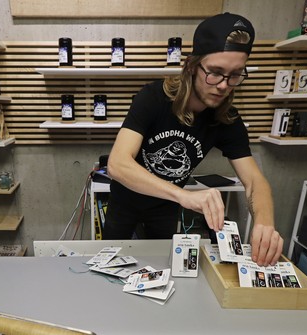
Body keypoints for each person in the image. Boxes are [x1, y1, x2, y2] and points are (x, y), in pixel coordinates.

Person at [103, 12, 283, 266]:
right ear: (191, 65)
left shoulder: (227, 119)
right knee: (110, 264)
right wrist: (184, 196)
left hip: (165, 206)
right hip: (125, 200)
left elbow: (255, 181)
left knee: (160, 269)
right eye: (215, 72)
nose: (223, 85)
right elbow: (118, 164)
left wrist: (265, 224)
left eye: (235, 75)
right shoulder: (153, 98)